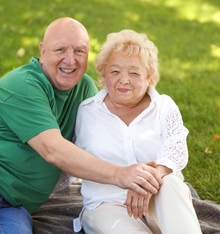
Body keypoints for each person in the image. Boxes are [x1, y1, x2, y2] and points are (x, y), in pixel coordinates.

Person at [0, 18, 163, 234]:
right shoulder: (25, 83)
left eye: (80, 50)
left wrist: (144, 181)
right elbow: (53, 150)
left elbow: (110, 141)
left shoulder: (85, 90)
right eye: (60, 50)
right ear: (42, 51)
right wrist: (122, 175)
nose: (70, 59)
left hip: (14, 202)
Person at [73, 29, 201, 233]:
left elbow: (175, 150)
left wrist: (146, 183)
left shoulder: (164, 106)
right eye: (115, 71)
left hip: (158, 195)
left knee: (171, 185)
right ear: (104, 74)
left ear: (149, 76)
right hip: (107, 204)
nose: (124, 80)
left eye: (134, 72)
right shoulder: (87, 111)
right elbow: (75, 160)